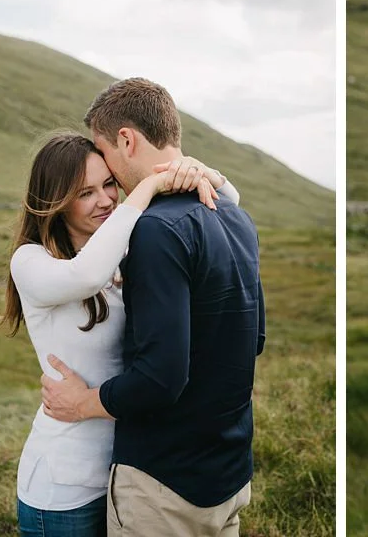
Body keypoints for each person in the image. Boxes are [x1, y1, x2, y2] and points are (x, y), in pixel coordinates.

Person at [38, 78, 267, 537]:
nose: (109, 181)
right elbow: (254, 340)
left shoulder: (155, 230)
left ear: (126, 139)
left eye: (104, 153)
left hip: (165, 485)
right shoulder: (237, 217)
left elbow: (161, 378)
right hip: (228, 476)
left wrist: (84, 403)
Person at [3, 131, 233, 536]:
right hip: (63, 488)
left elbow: (229, 206)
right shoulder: (31, 261)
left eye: (109, 184)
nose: (107, 199)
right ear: (54, 203)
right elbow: (86, 274)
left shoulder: (127, 251)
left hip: (124, 477)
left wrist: (202, 172)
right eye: (85, 193)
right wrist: (146, 189)